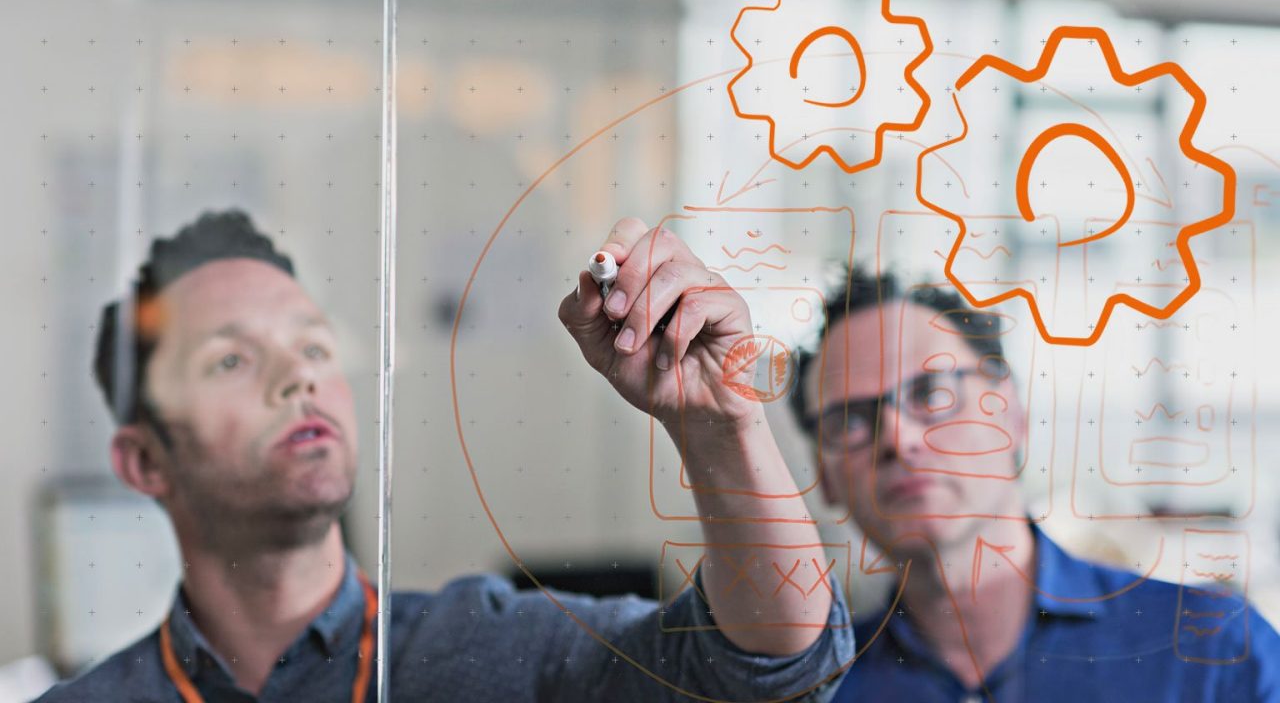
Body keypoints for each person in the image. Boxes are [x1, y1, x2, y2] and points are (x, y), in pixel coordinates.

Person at [35, 210, 853, 702]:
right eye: (231, 361)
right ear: (144, 462)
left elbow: (764, 666)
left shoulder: (488, 653)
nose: (299, 378)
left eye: (314, 346)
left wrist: (719, 430)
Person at [788, 265, 1280, 702]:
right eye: (849, 420)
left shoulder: (1214, 653)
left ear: (1011, 413)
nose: (898, 437)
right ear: (824, 474)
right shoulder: (818, 690)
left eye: (932, 393)